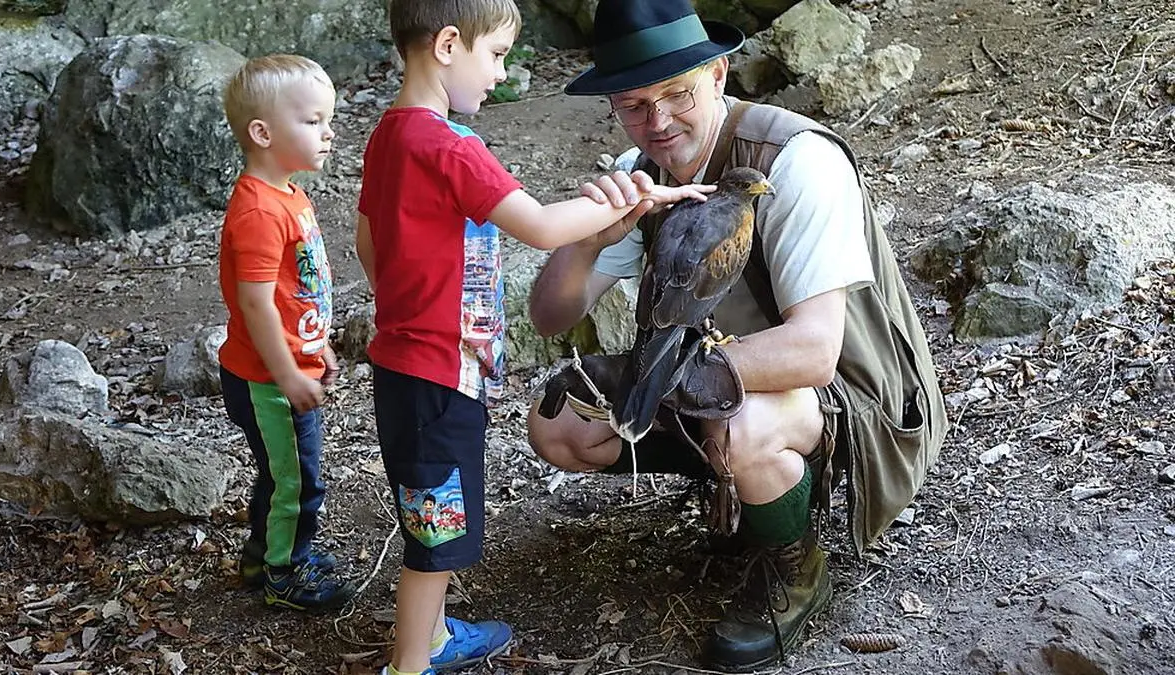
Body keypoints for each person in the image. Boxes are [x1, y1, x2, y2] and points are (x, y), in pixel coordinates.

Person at [527, 0, 949, 670]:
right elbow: (548, 314)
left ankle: (796, 566)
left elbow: (815, 352)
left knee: (744, 421)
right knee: (560, 424)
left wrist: (657, 380)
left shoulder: (796, 161)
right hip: (721, 374)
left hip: (856, 399)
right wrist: (590, 239)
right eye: (634, 104)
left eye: (676, 94)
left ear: (719, 74)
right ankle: (747, 495)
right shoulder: (644, 169)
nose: (658, 122)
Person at [354, 2, 715, 674]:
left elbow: (368, 243)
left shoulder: (388, 136)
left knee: (440, 513)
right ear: (448, 44)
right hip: (437, 374)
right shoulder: (450, 146)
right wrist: (638, 198)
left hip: (406, 364)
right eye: (495, 56)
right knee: (436, 534)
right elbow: (546, 227)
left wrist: (411, 302)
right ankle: (410, 662)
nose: (498, 75)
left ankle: (431, 637)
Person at [217, 54, 354, 611]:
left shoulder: (290, 195)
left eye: (328, 121)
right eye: (314, 121)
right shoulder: (257, 210)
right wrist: (287, 371)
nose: (329, 134)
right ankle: (284, 573)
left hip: (288, 366)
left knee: (281, 474)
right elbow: (254, 303)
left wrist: (318, 345)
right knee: (298, 482)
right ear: (263, 132)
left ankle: (263, 552)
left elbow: (293, 290)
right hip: (267, 380)